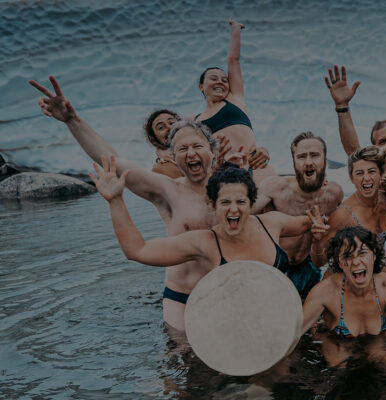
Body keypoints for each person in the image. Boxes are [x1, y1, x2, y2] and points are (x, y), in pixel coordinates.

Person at [31, 76, 223, 330]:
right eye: (182, 149)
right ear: (174, 158)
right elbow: (112, 161)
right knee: (179, 360)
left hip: (225, 292)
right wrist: (71, 120)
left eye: (197, 146)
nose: (191, 153)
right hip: (182, 296)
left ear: (212, 150)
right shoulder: (166, 190)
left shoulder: (232, 190)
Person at [91, 158, 327, 296]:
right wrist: (115, 201)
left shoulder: (272, 223)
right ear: (213, 205)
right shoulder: (203, 242)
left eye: (241, 202)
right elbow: (137, 250)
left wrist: (316, 225)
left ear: (251, 203)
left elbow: (306, 222)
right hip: (228, 329)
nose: (233, 209)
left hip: (277, 319)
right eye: (225, 202)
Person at [252, 132, 344, 296]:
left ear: (325, 161)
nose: (308, 162)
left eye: (314, 155)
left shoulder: (333, 194)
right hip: (275, 267)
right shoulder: (275, 188)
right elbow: (240, 215)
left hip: (307, 266)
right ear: (294, 162)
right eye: (302, 157)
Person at [194, 18, 278, 184]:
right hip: (225, 176)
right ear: (201, 86)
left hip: (255, 166)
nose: (220, 82)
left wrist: (236, 30)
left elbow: (233, 60)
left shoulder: (235, 99)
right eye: (213, 78)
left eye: (224, 80)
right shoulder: (196, 120)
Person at [313, 146, 386, 270]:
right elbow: (319, 262)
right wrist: (317, 241)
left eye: (371, 171)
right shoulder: (343, 214)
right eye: (359, 173)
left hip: (374, 271)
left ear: (380, 174)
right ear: (351, 178)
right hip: (348, 277)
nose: (366, 178)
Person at [144, 109, 183, 179]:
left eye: (172, 123)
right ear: (155, 138)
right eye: (161, 127)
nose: (169, 127)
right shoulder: (161, 169)